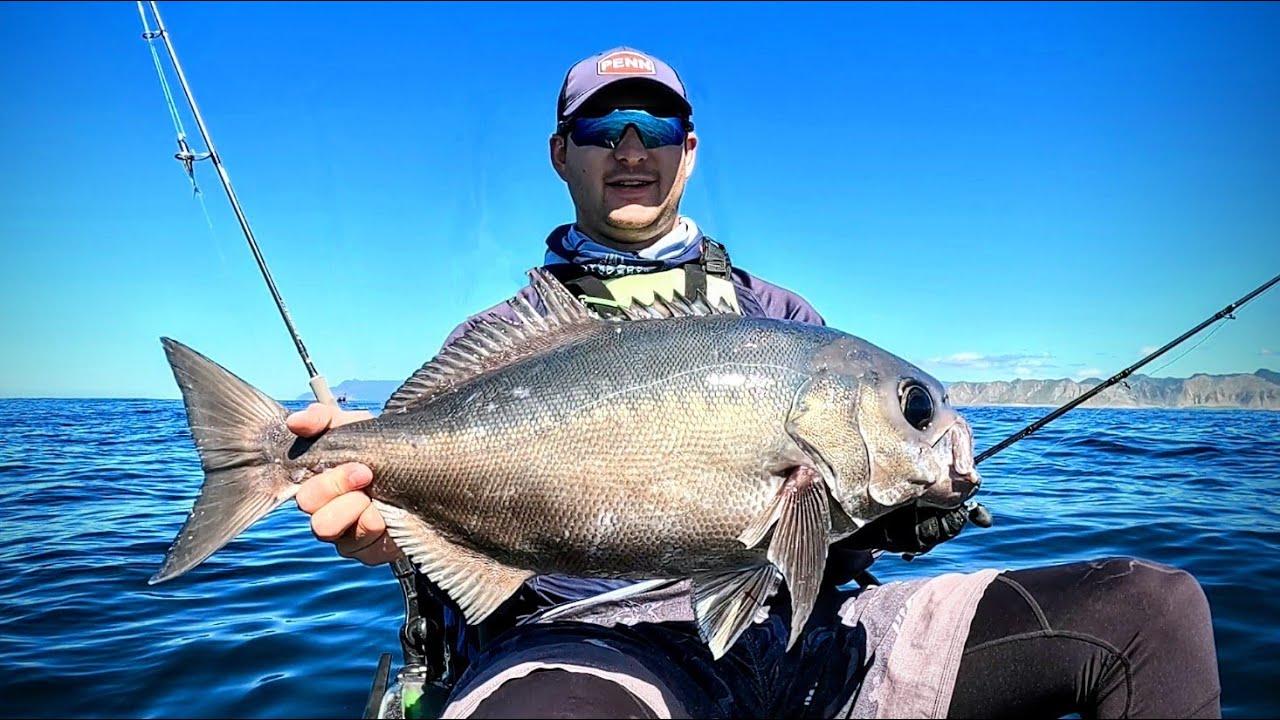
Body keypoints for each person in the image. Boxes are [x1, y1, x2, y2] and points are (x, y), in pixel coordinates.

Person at [287, 47, 1222, 719]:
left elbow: (822, 539)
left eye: (655, 125)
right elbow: (459, 546)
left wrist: (898, 513)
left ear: (688, 150)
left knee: (1155, 611)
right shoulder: (498, 339)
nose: (630, 147)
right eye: (601, 127)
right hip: (589, 649)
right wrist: (388, 526)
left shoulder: (784, 318)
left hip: (813, 639)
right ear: (560, 153)